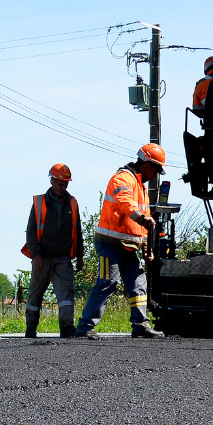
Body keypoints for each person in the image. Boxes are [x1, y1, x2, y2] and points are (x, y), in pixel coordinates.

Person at [76, 144, 166, 339]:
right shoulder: (123, 178)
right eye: (156, 170)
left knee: (138, 283)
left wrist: (146, 248)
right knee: (108, 282)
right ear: (146, 164)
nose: (156, 175)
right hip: (110, 244)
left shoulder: (140, 186)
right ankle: (84, 327)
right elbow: (125, 202)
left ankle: (140, 324)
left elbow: (141, 226)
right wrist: (141, 217)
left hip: (128, 246)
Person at [20, 162, 84, 338]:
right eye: (60, 184)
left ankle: (67, 328)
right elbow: (31, 232)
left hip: (63, 258)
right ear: (52, 181)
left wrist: (80, 256)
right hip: (43, 258)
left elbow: (77, 231)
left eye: (65, 184)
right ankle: (31, 328)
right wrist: (37, 255)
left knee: (66, 295)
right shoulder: (39, 203)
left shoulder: (72, 203)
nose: (63, 187)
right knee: (35, 294)